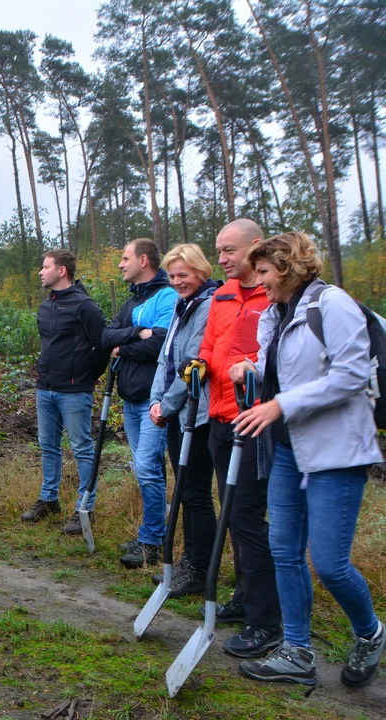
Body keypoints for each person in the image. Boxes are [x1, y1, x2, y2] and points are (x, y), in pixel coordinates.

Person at [232, 232, 384, 687]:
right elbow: (279, 367)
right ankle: (296, 651)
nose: (256, 281)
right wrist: (251, 369)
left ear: (288, 266)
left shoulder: (332, 305)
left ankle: (371, 632)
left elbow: (351, 374)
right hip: (288, 448)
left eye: (263, 271)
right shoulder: (276, 313)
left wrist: (283, 405)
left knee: (331, 564)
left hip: (336, 450)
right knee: (284, 550)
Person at [191, 218, 283, 659]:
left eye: (229, 250)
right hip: (220, 417)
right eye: (219, 250)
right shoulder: (222, 296)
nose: (222, 259)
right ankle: (246, 598)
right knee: (230, 511)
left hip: (256, 420)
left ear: (256, 247)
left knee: (246, 514)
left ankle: (266, 620)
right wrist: (199, 365)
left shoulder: (275, 295)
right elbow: (211, 345)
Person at [102, 239, 178, 568]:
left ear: (143, 260)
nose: (120, 264)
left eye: (124, 257)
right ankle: (154, 534)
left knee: (147, 467)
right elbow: (106, 337)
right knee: (147, 468)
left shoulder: (167, 295)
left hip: (154, 400)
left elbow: (161, 344)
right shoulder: (132, 300)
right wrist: (138, 333)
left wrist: (124, 344)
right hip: (130, 399)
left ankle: (151, 542)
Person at [148, 244, 218, 596]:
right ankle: (190, 562)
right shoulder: (182, 306)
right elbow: (166, 357)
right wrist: (156, 401)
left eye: (183, 275)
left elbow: (194, 363)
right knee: (187, 491)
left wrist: (169, 404)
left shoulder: (209, 306)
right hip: (176, 412)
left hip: (198, 413)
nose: (177, 281)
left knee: (196, 493)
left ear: (201, 272)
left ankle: (199, 567)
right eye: (172, 276)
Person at [21, 250, 106, 533]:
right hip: (46, 388)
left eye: (45, 267)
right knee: (48, 445)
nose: (40, 272)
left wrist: (86, 375)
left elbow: (102, 345)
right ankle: (49, 499)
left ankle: (85, 508)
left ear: (62, 271)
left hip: (74, 390)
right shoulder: (46, 307)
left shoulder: (85, 306)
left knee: (81, 447)